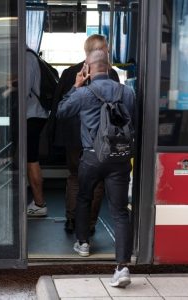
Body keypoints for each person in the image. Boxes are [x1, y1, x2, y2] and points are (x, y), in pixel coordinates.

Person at [57, 49, 135, 287]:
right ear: (109, 66)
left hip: (91, 156)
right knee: (120, 211)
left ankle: (83, 243)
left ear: (87, 69)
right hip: (120, 158)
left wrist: (76, 87)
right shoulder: (127, 92)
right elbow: (136, 121)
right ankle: (122, 267)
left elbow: (61, 112)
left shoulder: (84, 92)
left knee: (83, 197)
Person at [51, 34, 120, 234]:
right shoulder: (111, 74)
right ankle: (89, 224)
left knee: (74, 177)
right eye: (106, 48)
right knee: (97, 182)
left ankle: (72, 220)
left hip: (73, 138)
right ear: (103, 51)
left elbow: (59, 106)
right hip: (100, 138)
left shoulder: (70, 72)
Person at [25, 48, 49, 216]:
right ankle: (38, 202)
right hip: (35, 114)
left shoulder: (26, 57)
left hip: (32, 115)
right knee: (30, 158)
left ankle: (40, 203)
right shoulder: (30, 56)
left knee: (31, 159)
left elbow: (24, 91)